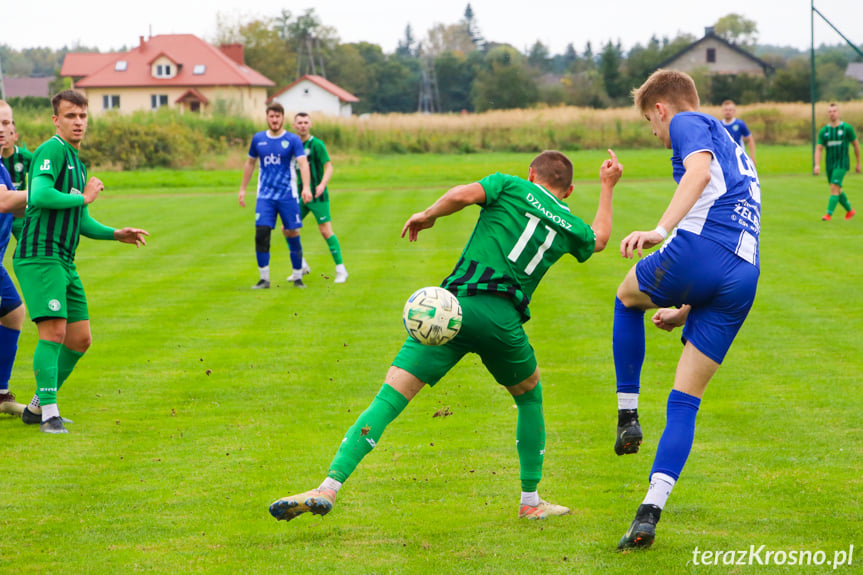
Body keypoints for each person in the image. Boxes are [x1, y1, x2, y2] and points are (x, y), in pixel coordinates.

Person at [268, 149, 621, 523]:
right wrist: (607, 185)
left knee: (389, 397)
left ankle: (329, 486)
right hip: (503, 322)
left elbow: (461, 195)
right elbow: (599, 239)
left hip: (451, 309)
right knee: (529, 397)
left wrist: (427, 214)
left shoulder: (511, 185)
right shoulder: (569, 222)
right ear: (567, 191)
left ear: (531, 173)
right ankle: (530, 500)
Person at [612, 70, 760, 550]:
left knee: (625, 297)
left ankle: (626, 415)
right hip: (742, 274)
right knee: (685, 401)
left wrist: (659, 229)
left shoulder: (687, 121)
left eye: (651, 124)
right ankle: (650, 510)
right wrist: (687, 306)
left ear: (661, 109)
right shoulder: (734, 146)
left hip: (700, 250)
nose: (656, 135)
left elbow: (696, 174)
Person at [13, 90, 149, 434]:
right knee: (54, 331)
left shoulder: (78, 163)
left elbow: (81, 219)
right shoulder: (51, 151)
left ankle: (35, 406)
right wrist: (85, 197)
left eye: (83, 116)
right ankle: (50, 414)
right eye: (71, 116)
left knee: (80, 339)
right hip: (40, 256)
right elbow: (40, 194)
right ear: (56, 120)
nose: (78, 122)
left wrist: (116, 233)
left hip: (63, 259)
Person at [239, 102, 311, 289]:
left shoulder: (293, 140)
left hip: (288, 195)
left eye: (277, 116)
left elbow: (303, 164)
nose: (274, 120)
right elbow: (250, 164)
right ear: (267, 118)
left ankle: (297, 277)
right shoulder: (259, 139)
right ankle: (264, 279)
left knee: (292, 232)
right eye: (271, 116)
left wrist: (307, 188)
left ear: (283, 118)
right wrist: (243, 189)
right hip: (265, 196)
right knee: (261, 233)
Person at [289, 112, 348, 283]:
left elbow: (328, 166)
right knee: (288, 228)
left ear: (310, 124)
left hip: (317, 195)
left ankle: (341, 269)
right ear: (294, 125)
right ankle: (300, 265)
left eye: (306, 122)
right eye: (299, 122)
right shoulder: (292, 145)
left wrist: (322, 184)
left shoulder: (317, 144)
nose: (303, 125)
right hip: (297, 195)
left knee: (325, 230)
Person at [0, 101, 27, 416]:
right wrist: (44, 192)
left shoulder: (3, 168)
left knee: (12, 314)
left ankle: (1, 391)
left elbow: (18, 209)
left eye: (6, 122)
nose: (1, 129)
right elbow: (5, 201)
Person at [813, 103, 860, 221]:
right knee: (837, 189)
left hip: (842, 163)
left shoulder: (846, 129)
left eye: (834, 111)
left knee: (834, 187)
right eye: (830, 111)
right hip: (830, 164)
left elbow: (855, 145)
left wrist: (858, 163)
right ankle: (850, 210)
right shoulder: (824, 131)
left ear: (839, 113)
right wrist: (817, 165)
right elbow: (819, 148)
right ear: (828, 114)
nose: (832, 113)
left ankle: (828, 215)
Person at [718, 100, 755, 164]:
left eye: (730, 110)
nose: (728, 112)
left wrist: (752, 157)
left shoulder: (740, 124)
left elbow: (750, 139)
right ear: (722, 111)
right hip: (724, 157)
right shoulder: (719, 125)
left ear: (734, 111)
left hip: (738, 157)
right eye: (726, 110)